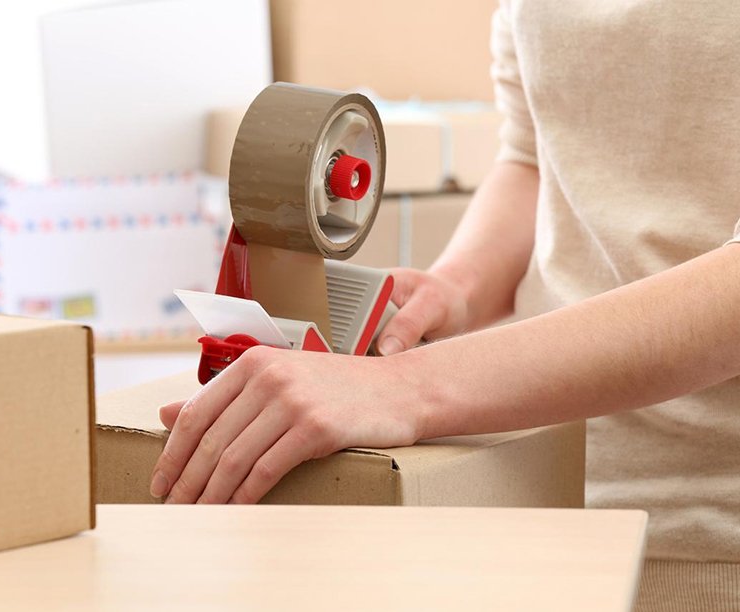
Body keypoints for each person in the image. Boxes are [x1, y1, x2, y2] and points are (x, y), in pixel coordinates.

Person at [149, 2, 739, 609]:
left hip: (705, 538)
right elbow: (536, 157)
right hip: (529, 500)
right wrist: (458, 284)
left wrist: (406, 388)